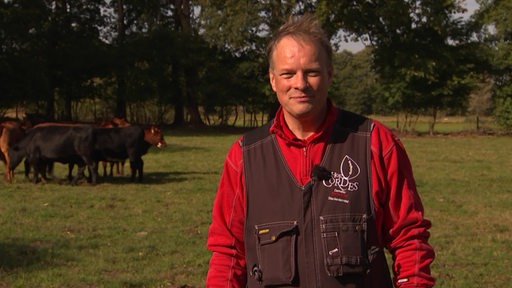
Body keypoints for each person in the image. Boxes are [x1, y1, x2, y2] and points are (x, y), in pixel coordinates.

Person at [206, 14, 435, 288]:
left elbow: (410, 238)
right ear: (272, 80)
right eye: (288, 74)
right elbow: (229, 253)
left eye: (311, 72)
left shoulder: (375, 144)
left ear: (329, 74)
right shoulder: (244, 157)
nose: (300, 84)